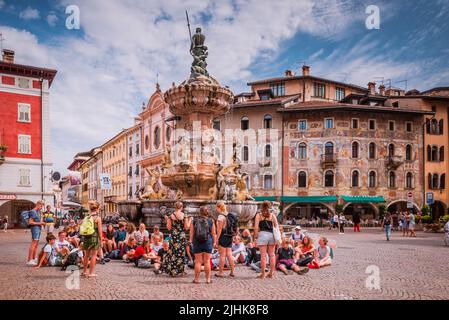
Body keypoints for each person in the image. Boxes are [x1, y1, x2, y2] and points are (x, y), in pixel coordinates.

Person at [190, 206, 216, 284]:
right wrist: (214, 242)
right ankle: (208, 279)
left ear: (199, 212)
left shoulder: (194, 221)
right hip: (208, 241)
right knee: (207, 261)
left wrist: (191, 240)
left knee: (198, 261)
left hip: (197, 241)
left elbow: (191, 232)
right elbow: (213, 233)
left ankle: (197, 279)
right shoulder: (211, 220)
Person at [253, 200, 278, 279]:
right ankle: (271, 273)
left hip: (263, 235)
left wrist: (255, 237)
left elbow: (256, 227)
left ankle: (263, 274)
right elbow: (276, 226)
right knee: (272, 255)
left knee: (263, 256)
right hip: (271, 235)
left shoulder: (259, 215)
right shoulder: (272, 215)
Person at [165, 201, 188, 277]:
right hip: (181, 236)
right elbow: (186, 227)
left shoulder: (171, 216)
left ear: (175, 207)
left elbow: (168, 228)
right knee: (181, 253)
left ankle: (173, 270)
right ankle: (181, 270)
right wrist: (190, 220)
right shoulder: (184, 216)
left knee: (173, 252)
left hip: (174, 236)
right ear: (181, 207)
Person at [215, 201, 237, 278]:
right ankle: (232, 271)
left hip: (223, 236)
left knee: (222, 255)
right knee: (229, 254)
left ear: (218, 207)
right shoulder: (228, 214)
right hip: (229, 236)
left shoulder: (220, 216)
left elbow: (220, 229)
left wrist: (217, 239)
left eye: (216, 207)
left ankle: (220, 272)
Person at [82, 200, 103, 278]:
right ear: (97, 209)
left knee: (86, 255)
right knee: (94, 255)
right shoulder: (98, 218)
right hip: (94, 238)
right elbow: (100, 232)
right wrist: (101, 241)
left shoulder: (87, 217)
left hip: (86, 237)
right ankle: (91, 273)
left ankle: (84, 272)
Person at [27, 200, 46, 266]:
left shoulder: (37, 212)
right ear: (38, 204)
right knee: (33, 244)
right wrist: (40, 223)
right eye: (41, 206)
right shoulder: (33, 211)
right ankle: (29, 260)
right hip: (35, 229)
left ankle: (33, 258)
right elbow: (30, 222)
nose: (41, 207)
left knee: (36, 244)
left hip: (37, 228)